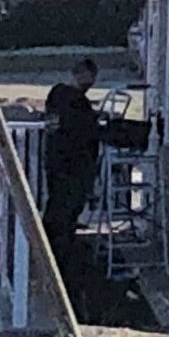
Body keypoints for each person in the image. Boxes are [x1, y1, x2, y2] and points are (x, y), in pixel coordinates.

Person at [41, 57, 103, 259]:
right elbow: (84, 128)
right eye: (89, 79)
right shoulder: (75, 100)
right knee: (66, 210)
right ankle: (59, 253)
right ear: (80, 76)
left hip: (55, 160)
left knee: (56, 207)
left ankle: (51, 248)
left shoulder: (56, 95)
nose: (90, 84)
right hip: (73, 165)